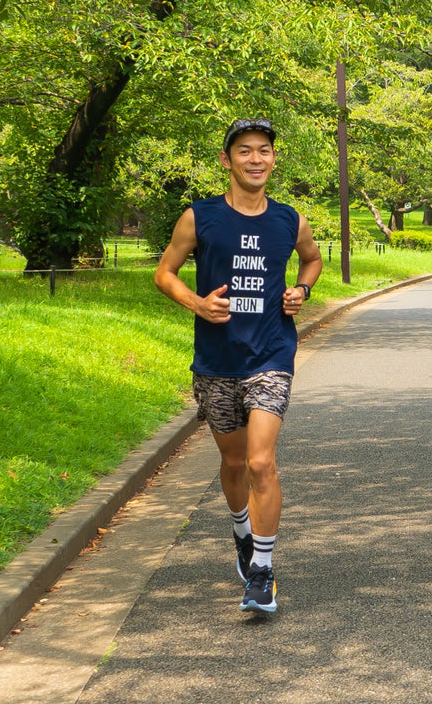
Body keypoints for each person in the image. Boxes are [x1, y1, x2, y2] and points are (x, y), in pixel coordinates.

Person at [154, 118, 322, 614]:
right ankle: (242, 532)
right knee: (231, 462)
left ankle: (263, 573)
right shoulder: (199, 217)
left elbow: (310, 261)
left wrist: (302, 290)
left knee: (259, 461)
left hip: (271, 355)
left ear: (274, 159)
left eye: (264, 151)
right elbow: (165, 273)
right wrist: (197, 303)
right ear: (227, 161)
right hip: (216, 360)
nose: (255, 159)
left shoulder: (290, 219)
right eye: (245, 151)